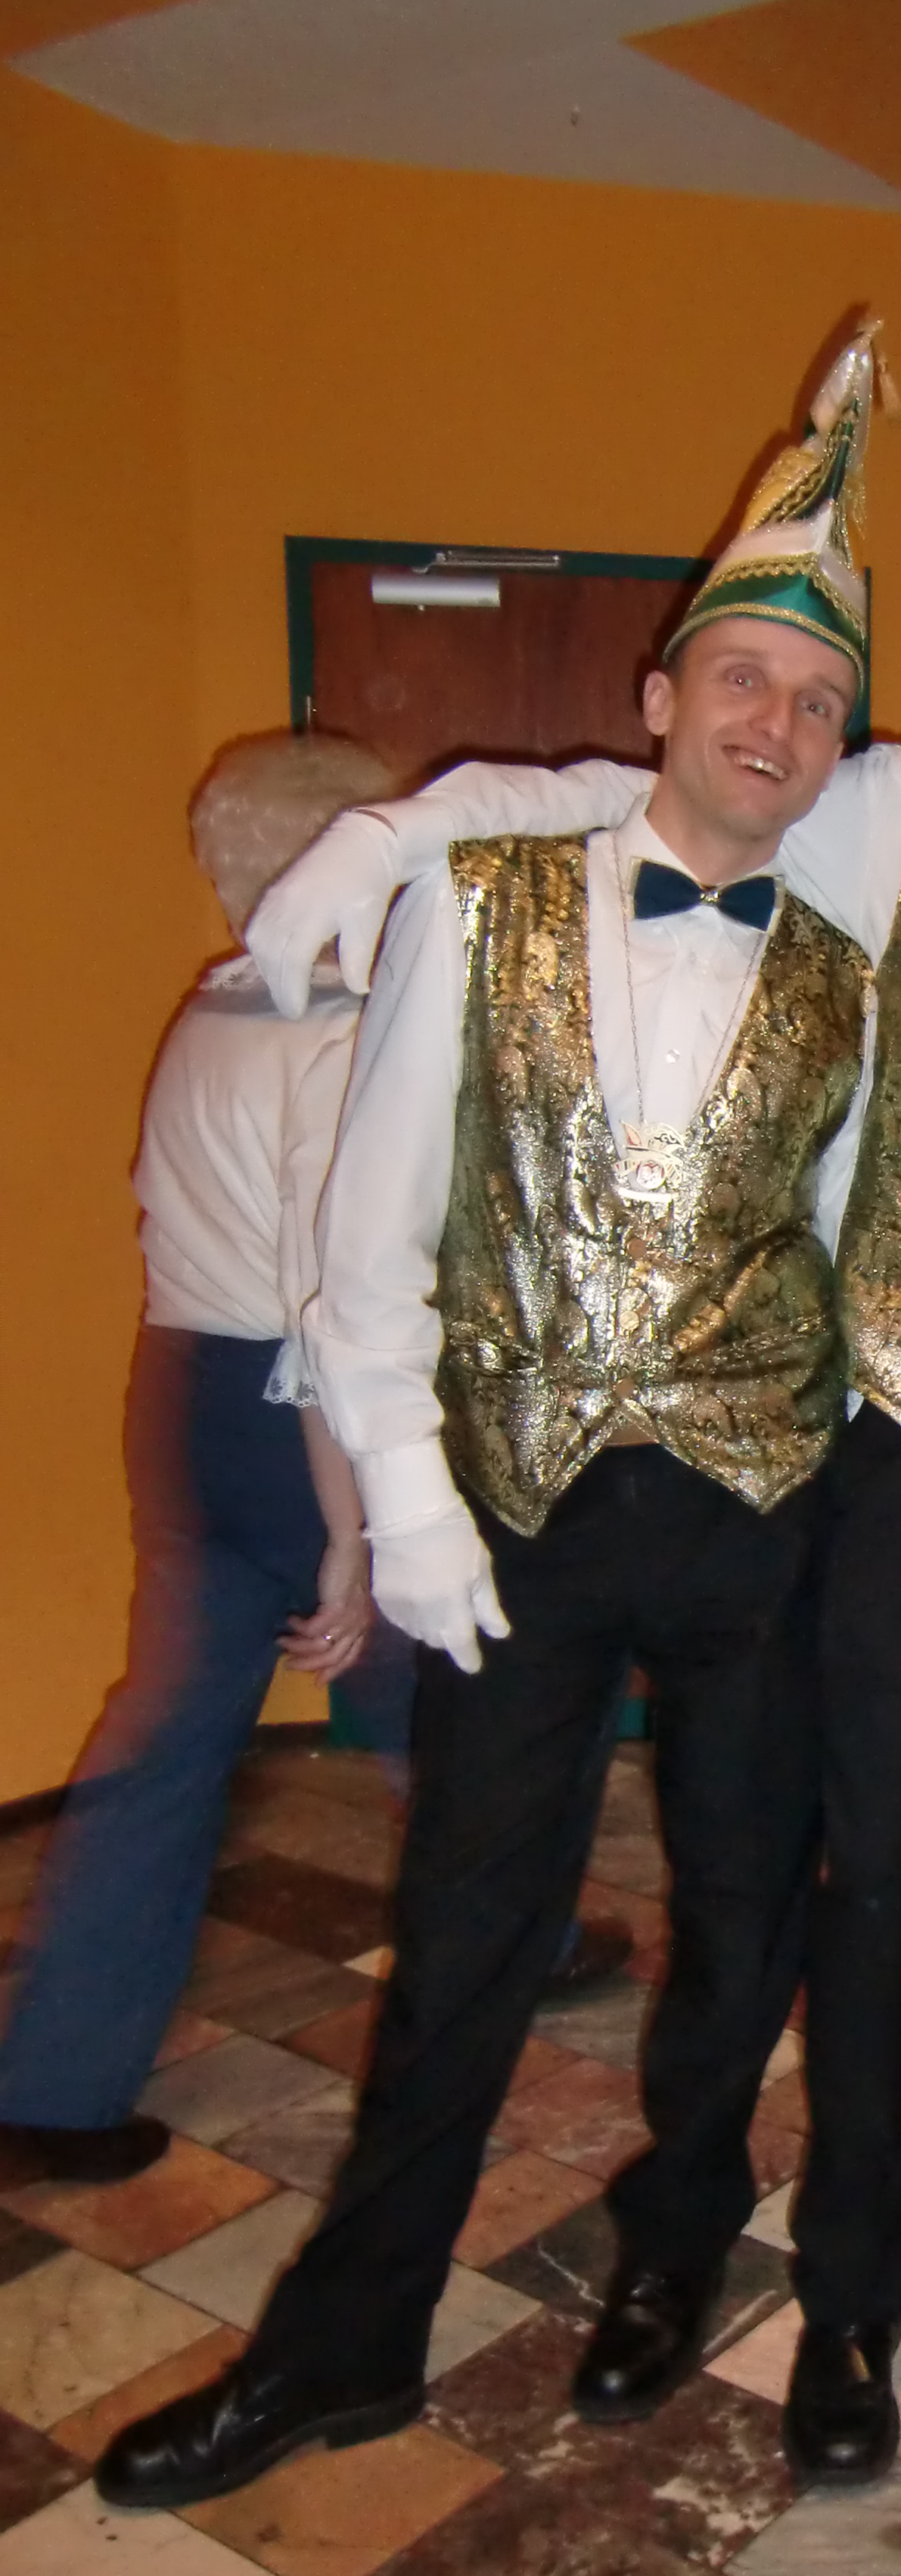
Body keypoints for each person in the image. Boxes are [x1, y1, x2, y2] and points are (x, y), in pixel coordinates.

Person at [241, 228, 901, 2486]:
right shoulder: (894, 812)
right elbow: (630, 809)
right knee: (882, 1891)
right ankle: (853, 2299)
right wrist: (395, 827)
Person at [98, 327, 884, 2511]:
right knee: (460, 1942)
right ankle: (341, 2348)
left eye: (818, 701)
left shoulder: (847, 968)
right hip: (516, 1519)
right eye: (743, 677)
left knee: (745, 1915)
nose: (776, 723)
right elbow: (371, 1249)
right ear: (658, 695)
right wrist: (420, 1519)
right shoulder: (485, 895)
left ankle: (675, 2245)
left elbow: (830, 1250)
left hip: (758, 1518)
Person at [0, 736, 396, 2186]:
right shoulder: (338, 1041)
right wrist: (350, 1539)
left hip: (178, 1395)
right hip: (298, 1422)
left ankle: (51, 2083)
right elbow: (324, 1314)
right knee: (470, 1701)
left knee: (162, 1745)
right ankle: (518, 1945)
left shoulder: (209, 1010)